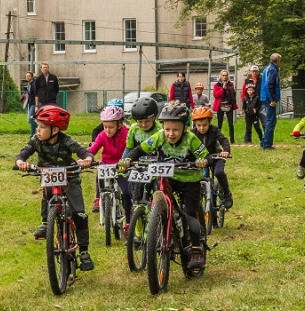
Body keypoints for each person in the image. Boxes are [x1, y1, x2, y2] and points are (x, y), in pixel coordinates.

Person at [119, 102, 209, 269]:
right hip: (168, 177)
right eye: (167, 129)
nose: (170, 134)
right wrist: (128, 159)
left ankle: (196, 249)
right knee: (159, 197)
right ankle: (160, 224)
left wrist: (202, 161)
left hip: (189, 180)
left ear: (185, 128)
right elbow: (140, 149)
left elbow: (205, 155)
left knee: (190, 211)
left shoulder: (191, 139)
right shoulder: (160, 136)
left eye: (175, 130)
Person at [15, 105, 95, 270]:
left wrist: (87, 159)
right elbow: (23, 153)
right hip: (48, 177)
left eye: (42, 127)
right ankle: (46, 222)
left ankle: (84, 253)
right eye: (38, 126)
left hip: (70, 177)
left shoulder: (66, 140)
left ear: (55, 130)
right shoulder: (36, 141)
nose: (38, 130)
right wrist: (20, 162)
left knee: (79, 213)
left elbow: (82, 151)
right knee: (47, 198)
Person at [87, 105, 132, 224]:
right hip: (106, 165)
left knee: (127, 193)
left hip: (121, 166)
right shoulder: (102, 135)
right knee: (101, 181)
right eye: (105, 126)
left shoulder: (127, 134)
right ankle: (99, 198)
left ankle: (128, 222)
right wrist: (86, 158)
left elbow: (132, 149)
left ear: (120, 124)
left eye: (111, 127)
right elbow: (93, 149)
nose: (107, 130)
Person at [191, 106, 233, 209]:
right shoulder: (192, 133)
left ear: (209, 122)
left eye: (204, 125)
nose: (202, 128)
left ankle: (227, 194)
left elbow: (223, 140)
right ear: (195, 124)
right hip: (200, 159)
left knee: (218, 172)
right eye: (199, 125)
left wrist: (225, 151)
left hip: (215, 157)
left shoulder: (214, 130)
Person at [260, 53, 281, 150]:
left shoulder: (267, 68)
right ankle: (267, 144)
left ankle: (264, 142)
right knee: (271, 121)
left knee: (270, 120)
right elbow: (269, 85)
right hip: (269, 98)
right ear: (277, 61)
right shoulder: (273, 70)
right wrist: (273, 99)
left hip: (265, 96)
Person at [212, 70, 237, 142]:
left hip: (229, 106)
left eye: (226, 75)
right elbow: (216, 95)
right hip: (220, 106)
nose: (224, 77)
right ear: (220, 76)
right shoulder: (216, 85)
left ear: (228, 76)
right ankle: (218, 139)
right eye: (223, 75)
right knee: (219, 123)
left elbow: (232, 93)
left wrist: (227, 89)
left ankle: (232, 140)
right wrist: (223, 88)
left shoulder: (231, 84)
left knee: (231, 123)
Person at [22, 71, 38, 136]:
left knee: (30, 120)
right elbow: (30, 94)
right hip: (30, 104)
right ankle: (32, 136)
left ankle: (41, 129)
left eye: (29, 76)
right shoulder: (29, 84)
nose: (27, 77)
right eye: (26, 76)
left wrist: (36, 105)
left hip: (34, 105)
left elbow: (36, 95)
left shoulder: (34, 84)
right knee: (32, 120)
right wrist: (25, 96)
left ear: (32, 77)